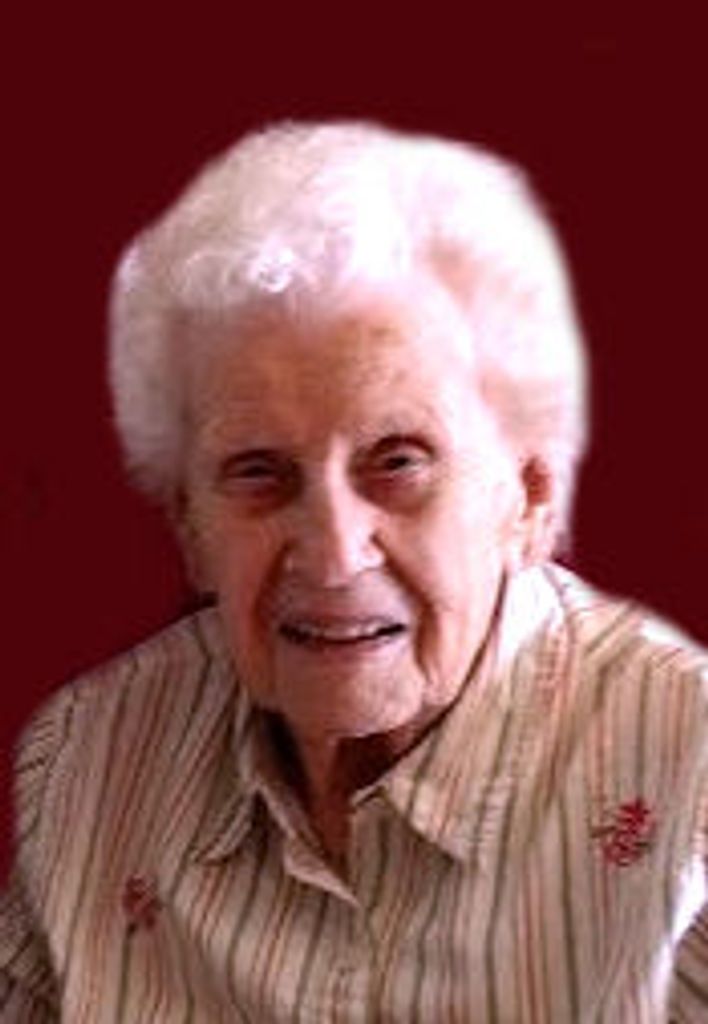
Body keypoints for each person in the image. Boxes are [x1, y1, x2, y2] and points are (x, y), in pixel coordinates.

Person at [1, 121, 706, 1022]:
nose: (334, 555)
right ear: (189, 528)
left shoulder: (688, 787)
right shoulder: (94, 764)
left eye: (397, 462)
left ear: (529, 498)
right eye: (258, 472)